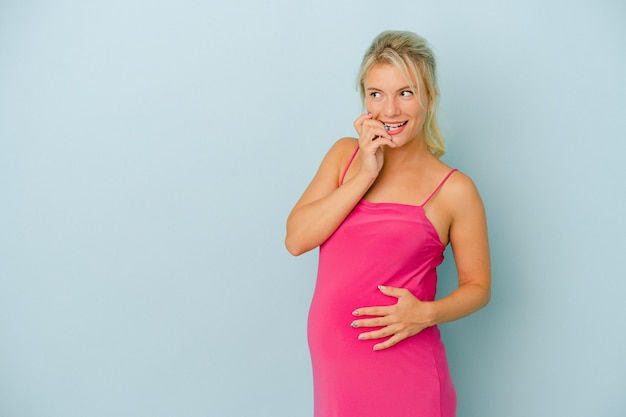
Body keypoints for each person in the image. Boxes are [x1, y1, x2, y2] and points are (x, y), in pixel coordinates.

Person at [285, 30, 491, 417]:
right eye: (376, 94)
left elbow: (479, 287)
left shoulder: (454, 190)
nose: (389, 111)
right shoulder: (344, 156)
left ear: (428, 97)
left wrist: (426, 314)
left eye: (406, 93)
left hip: (407, 373)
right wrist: (364, 174)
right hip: (337, 379)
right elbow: (296, 239)